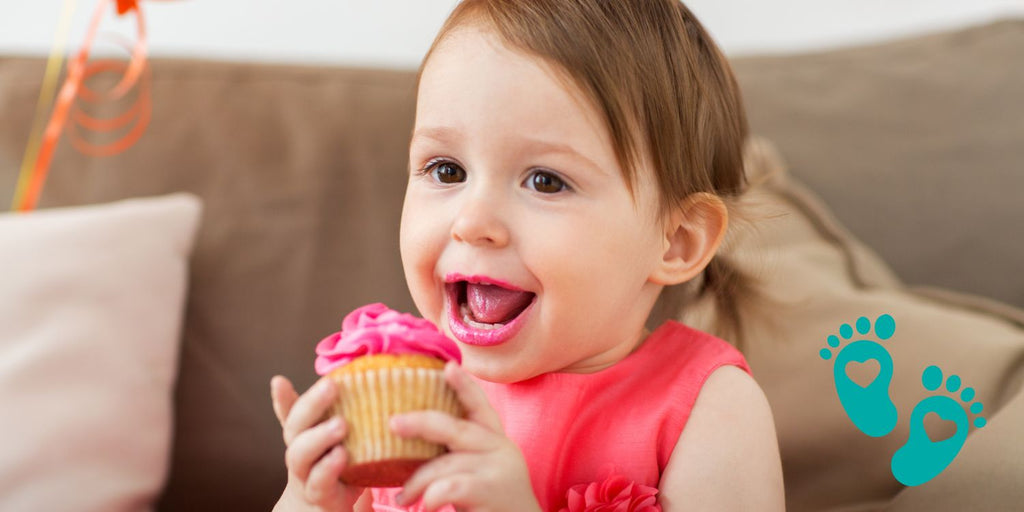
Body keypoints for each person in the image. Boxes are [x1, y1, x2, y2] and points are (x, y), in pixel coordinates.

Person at [271, 1, 784, 510]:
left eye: (546, 181)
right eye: (447, 170)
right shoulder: (403, 391)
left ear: (676, 242)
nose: (472, 223)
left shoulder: (710, 409)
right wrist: (309, 500)